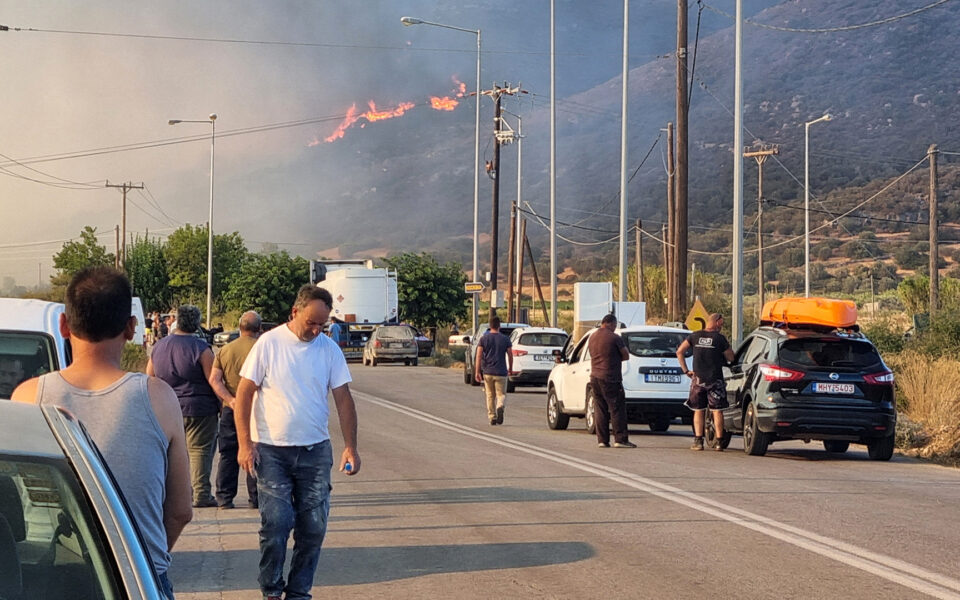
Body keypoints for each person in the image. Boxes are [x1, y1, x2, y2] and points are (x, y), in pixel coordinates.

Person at [11, 266, 192, 599]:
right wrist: (139, 562)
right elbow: (181, 509)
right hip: (135, 578)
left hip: (49, 578)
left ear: (64, 325)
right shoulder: (158, 398)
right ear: (131, 327)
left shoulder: (27, 397)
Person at [234, 285, 360, 600]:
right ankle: (272, 590)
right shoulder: (268, 344)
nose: (316, 330)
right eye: (311, 323)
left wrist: (350, 446)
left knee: (313, 527)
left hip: (315, 452)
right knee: (277, 523)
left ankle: (299, 591)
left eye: (322, 324)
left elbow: (343, 399)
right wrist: (244, 444)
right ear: (295, 312)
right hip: (272, 451)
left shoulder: (329, 349)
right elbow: (244, 393)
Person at [147, 305, 220, 507]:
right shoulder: (201, 349)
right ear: (197, 323)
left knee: (172, 452)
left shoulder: (159, 347)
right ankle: (201, 494)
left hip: (167, 407)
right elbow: (213, 380)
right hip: (200, 408)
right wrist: (223, 403)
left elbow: (149, 377)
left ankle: (173, 494)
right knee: (200, 450)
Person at [208, 310, 261, 509]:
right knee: (254, 451)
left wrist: (230, 399)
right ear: (259, 329)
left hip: (231, 408)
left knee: (228, 453)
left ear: (240, 328)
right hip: (256, 408)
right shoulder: (261, 349)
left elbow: (214, 379)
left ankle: (224, 497)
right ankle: (255, 497)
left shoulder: (225, 350)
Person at [676, 312, 735, 451]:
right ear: (718, 322)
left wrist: (686, 370)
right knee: (717, 411)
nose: (722, 326)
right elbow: (731, 357)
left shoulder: (694, 336)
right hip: (715, 379)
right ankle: (719, 442)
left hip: (698, 379)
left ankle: (698, 441)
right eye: (722, 323)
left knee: (698, 410)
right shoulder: (720, 339)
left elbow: (679, 351)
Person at [588, 314, 636, 448]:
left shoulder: (592, 337)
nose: (615, 328)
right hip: (610, 377)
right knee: (617, 408)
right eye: (614, 326)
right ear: (609, 323)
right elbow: (625, 355)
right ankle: (620, 439)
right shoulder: (615, 337)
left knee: (600, 409)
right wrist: (613, 359)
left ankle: (602, 440)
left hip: (595, 376)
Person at [473, 315, 513, 426]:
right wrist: (511, 368)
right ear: (499, 326)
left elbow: (479, 356)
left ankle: (492, 416)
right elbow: (510, 354)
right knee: (501, 395)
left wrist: (477, 371)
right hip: (501, 372)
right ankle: (500, 406)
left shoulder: (483, 339)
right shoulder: (505, 339)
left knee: (490, 395)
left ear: (490, 326)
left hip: (488, 372)